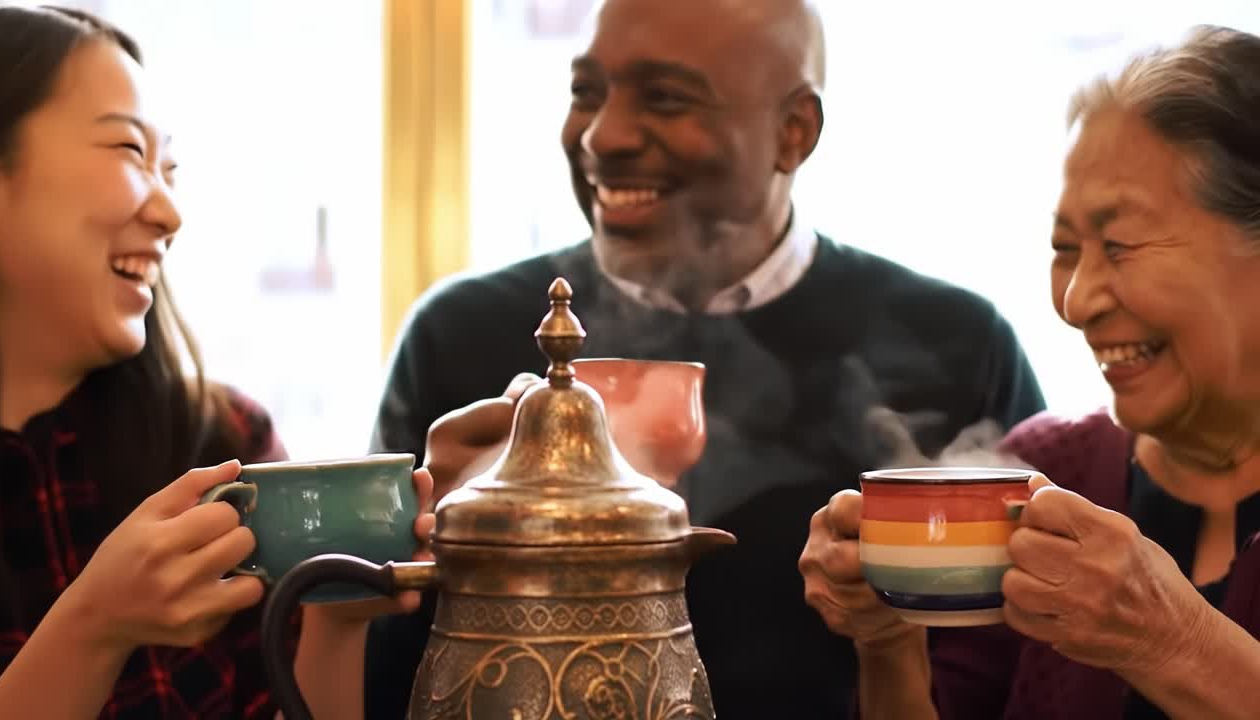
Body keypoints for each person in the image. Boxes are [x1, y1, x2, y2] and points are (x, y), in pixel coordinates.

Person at [363, 1, 1044, 717]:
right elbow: (374, 683)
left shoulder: (956, 344)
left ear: (794, 133)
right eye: (586, 92)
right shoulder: (459, 337)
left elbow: (1030, 675)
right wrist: (429, 546)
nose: (603, 135)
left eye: (665, 97)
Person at [799, 24, 1260, 720]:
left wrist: (1176, 641)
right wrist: (888, 639)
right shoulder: (1048, 468)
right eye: (1066, 249)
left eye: (1119, 244)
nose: (1076, 302)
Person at [0, 6, 429, 719]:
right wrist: (94, 626)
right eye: (130, 153)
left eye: (172, 170)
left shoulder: (226, 446)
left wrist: (334, 617)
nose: (170, 214)